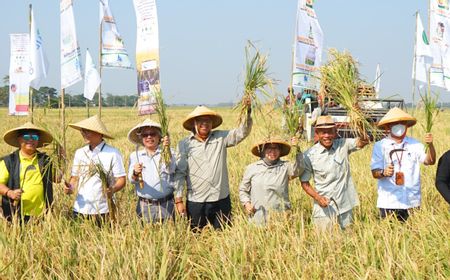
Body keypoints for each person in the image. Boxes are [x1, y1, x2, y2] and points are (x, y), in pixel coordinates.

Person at [174, 105, 252, 230]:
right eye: (201, 121)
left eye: (208, 120)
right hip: (196, 201)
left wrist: (247, 112)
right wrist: (178, 200)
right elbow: (180, 173)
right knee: (197, 237)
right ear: (194, 123)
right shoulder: (185, 144)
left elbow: (242, 133)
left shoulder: (221, 137)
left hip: (220, 199)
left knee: (223, 235)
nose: (205, 124)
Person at [300, 115, 369, 230]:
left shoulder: (343, 145)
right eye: (323, 132)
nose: (327, 136)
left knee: (348, 240)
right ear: (317, 133)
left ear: (335, 132)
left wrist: (358, 120)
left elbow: (363, 141)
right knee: (324, 243)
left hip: (345, 205)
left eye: (330, 132)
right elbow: (304, 182)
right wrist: (318, 198)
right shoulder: (309, 155)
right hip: (324, 208)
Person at [371, 107, 436, 221]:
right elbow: (374, 172)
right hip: (389, 201)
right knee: (390, 236)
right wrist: (384, 172)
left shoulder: (415, 144)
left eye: (402, 123)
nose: (399, 126)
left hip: (411, 201)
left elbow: (430, 161)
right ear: (388, 127)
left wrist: (430, 145)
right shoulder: (380, 146)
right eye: (395, 123)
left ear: (407, 126)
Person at [64, 115, 126, 225]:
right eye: (83, 131)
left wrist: (112, 189)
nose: (84, 134)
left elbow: (121, 179)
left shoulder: (113, 153)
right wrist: (70, 188)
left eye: (87, 131)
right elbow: (75, 178)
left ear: (99, 133)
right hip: (80, 207)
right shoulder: (80, 153)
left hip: (104, 208)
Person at [239, 138, 304, 225]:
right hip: (257, 218)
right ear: (262, 150)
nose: (272, 151)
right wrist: (246, 203)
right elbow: (243, 190)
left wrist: (297, 150)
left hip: (281, 218)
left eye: (276, 148)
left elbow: (299, 170)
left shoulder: (285, 167)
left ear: (280, 151)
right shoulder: (252, 168)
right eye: (269, 148)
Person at [0, 122, 57, 222]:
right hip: (15, 214)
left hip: (41, 215)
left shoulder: (45, 160)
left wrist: (61, 158)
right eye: (26, 137)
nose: (30, 140)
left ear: (38, 141)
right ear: (19, 139)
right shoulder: (9, 161)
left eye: (34, 137)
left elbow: (57, 178)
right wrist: (10, 193)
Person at [127, 119, 176, 223]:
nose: (149, 137)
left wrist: (167, 151)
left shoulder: (169, 152)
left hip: (166, 204)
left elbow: (171, 169)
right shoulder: (135, 155)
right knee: (145, 236)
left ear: (159, 137)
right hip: (144, 205)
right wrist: (135, 173)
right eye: (145, 135)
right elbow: (131, 180)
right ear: (141, 138)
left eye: (153, 134)